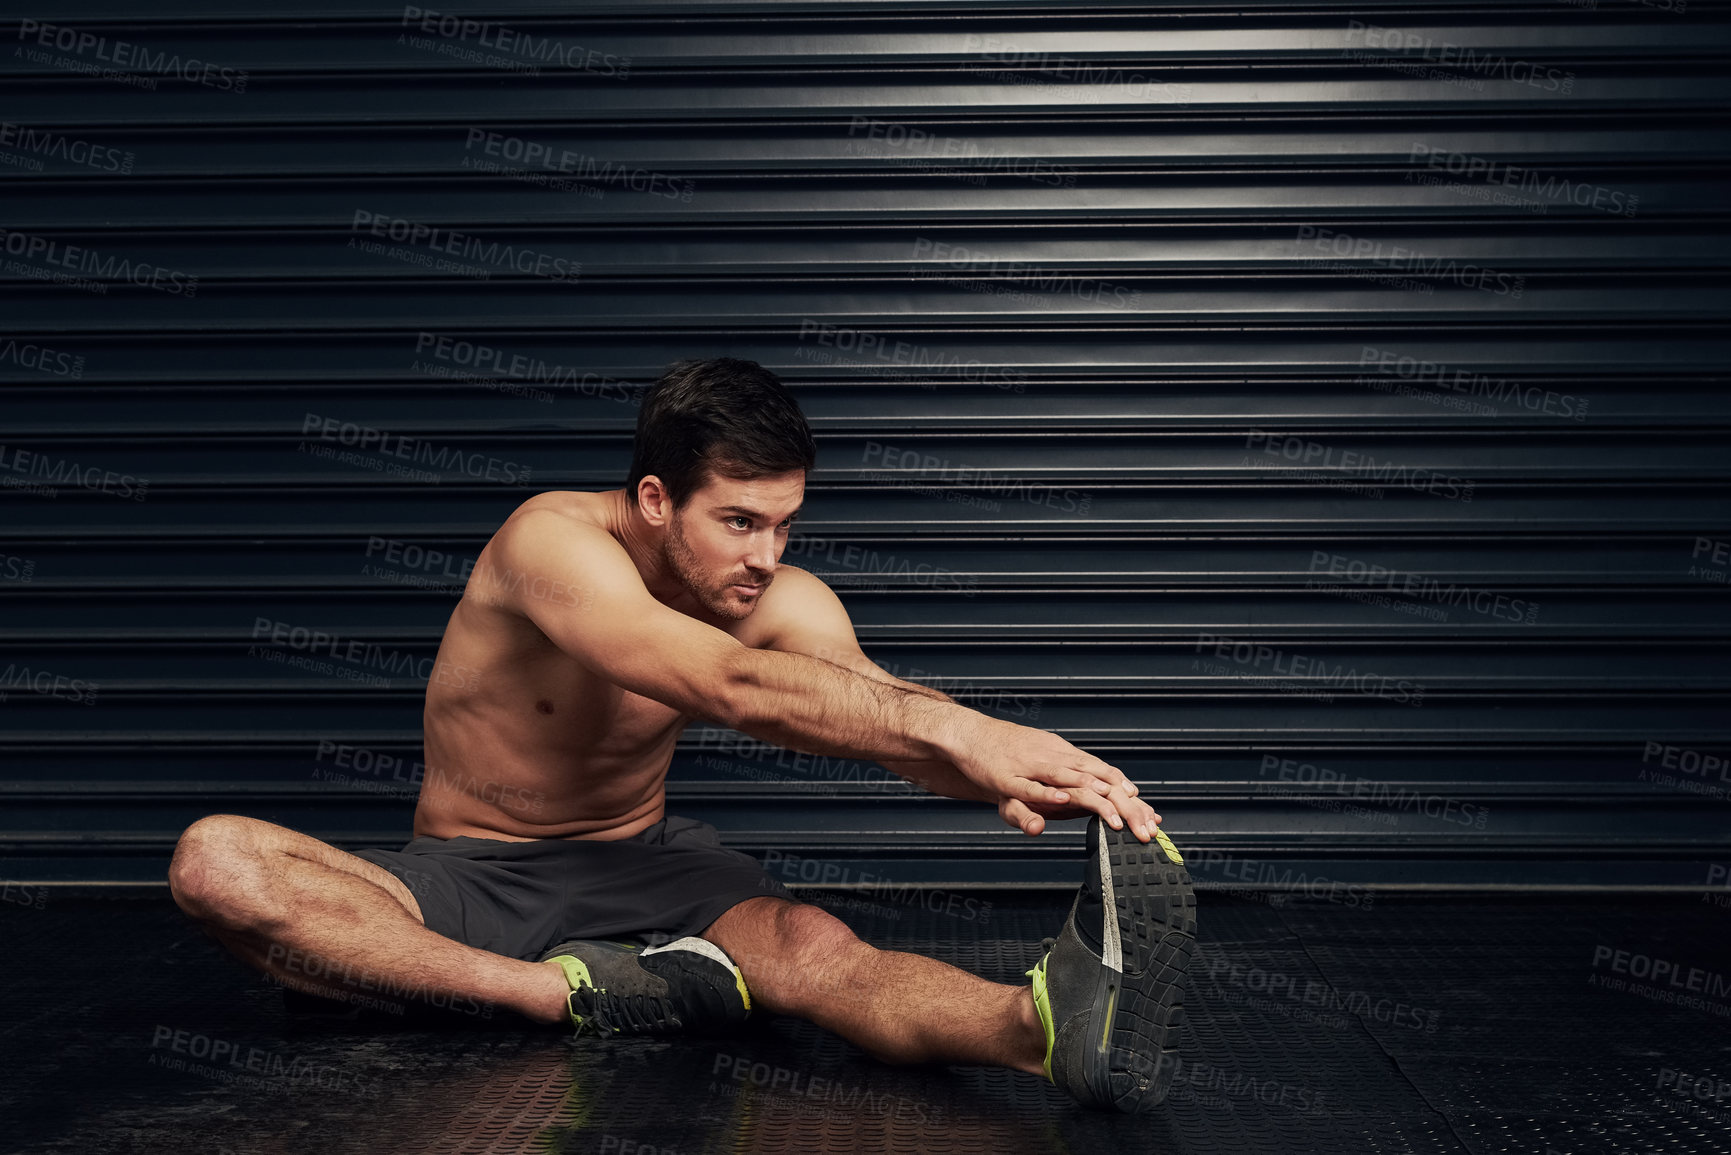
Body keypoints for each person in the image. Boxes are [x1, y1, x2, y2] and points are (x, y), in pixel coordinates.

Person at [168, 357, 1197, 1111]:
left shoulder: (776, 596)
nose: (768, 556)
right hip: (470, 874)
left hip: (650, 866)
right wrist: (964, 731)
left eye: (786, 524)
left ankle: (1045, 1028)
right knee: (218, 864)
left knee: (812, 948)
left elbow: (870, 712)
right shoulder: (551, 543)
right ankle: (553, 995)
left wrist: (1018, 777)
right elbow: (731, 684)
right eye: (740, 522)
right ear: (656, 499)